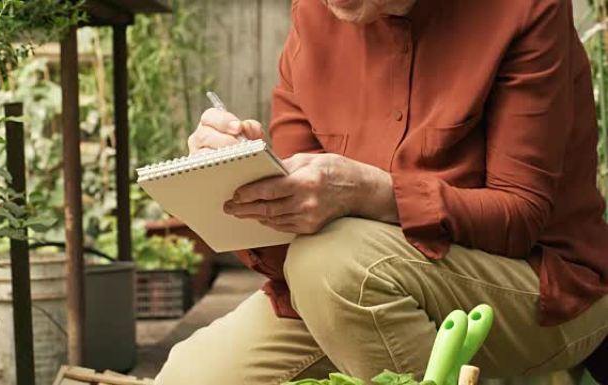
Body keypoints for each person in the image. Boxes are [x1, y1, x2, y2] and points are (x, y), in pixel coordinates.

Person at [155, 0, 608, 384]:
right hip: (347, 285)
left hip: (544, 287)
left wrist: (372, 192)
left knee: (334, 264)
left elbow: (519, 218)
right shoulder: (313, 16)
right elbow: (287, 253)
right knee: (188, 375)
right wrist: (235, 177)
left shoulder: (522, 9)